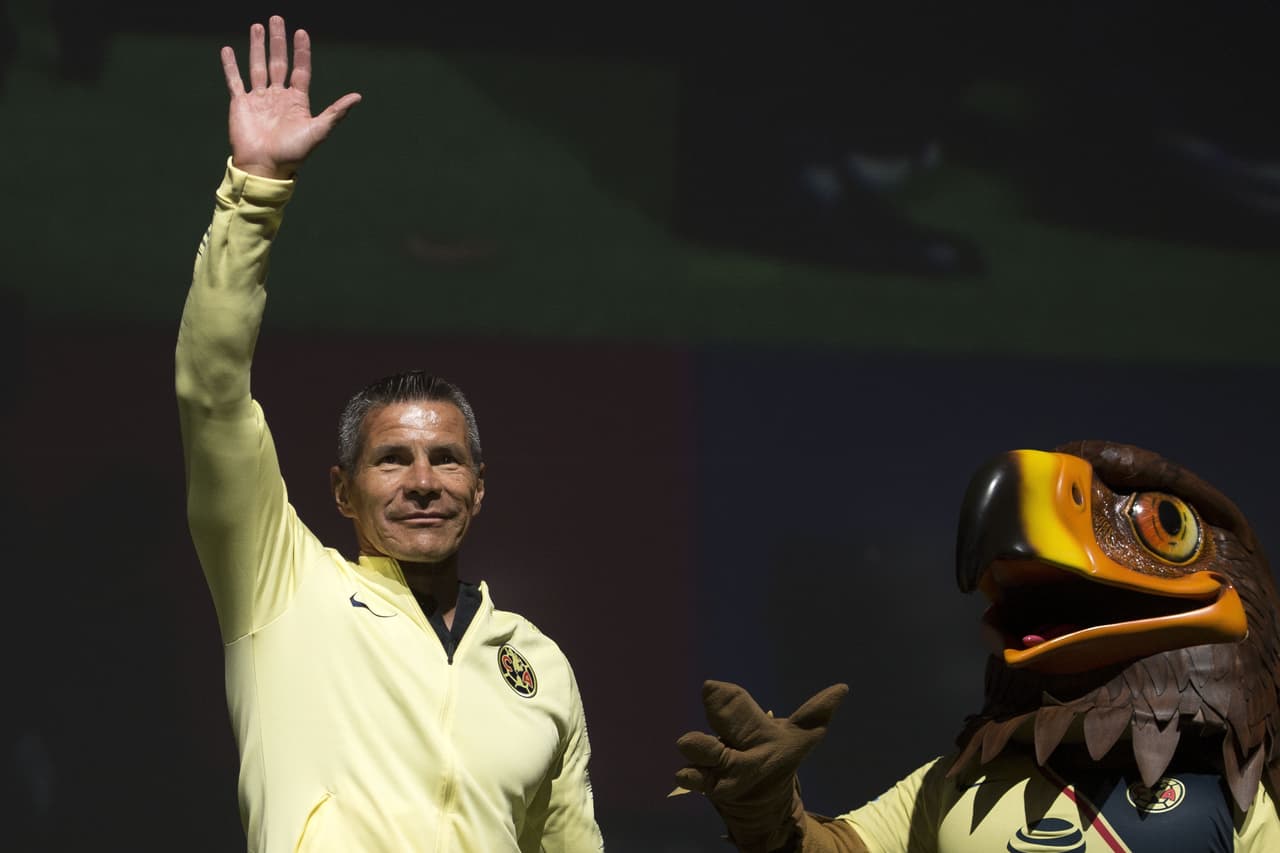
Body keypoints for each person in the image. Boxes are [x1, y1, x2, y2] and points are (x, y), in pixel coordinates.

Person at [175, 15, 604, 852]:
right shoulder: (281, 589)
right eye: (392, 458)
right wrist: (255, 191)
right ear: (342, 488)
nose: (421, 479)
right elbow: (212, 393)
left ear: (479, 487)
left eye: (447, 459)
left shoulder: (537, 665)